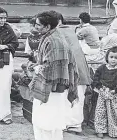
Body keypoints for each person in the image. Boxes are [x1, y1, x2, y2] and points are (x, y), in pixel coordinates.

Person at [30, 11, 79, 140]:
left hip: (52, 88)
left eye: (38, 25)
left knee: (47, 124)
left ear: (47, 27)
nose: (36, 27)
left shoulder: (53, 41)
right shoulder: (53, 36)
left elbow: (50, 69)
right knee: (47, 125)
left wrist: (36, 68)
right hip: (53, 87)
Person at [91, 46, 117, 138]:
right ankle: (100, 129)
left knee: (113, 113)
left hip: (114, 95)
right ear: (107, 57)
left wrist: (114, 90)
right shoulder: (102, 68)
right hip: (102, 93)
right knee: (100, 111)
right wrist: (100, 88)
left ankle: (113, 131)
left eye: (116, 58)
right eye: (111, 57)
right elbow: (96, 79)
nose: (113, 60)